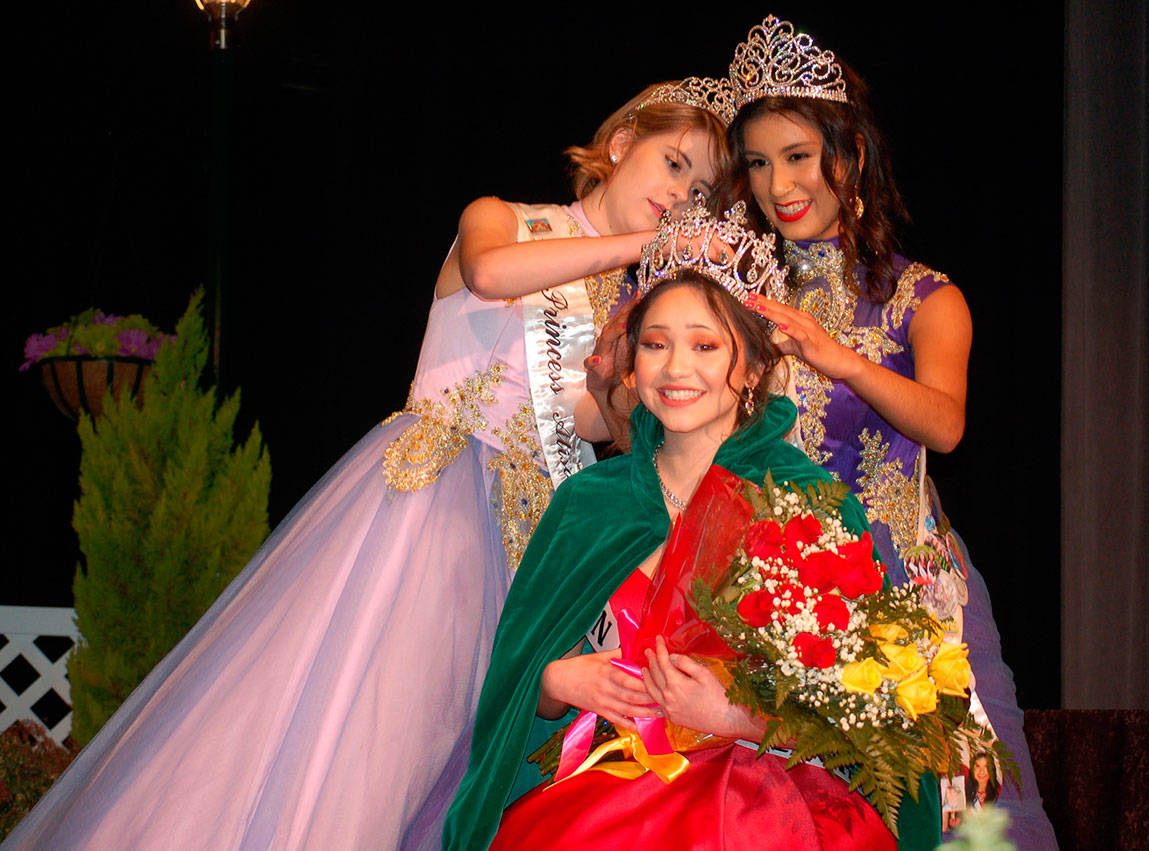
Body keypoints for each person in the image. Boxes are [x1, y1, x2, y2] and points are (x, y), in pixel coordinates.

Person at [3, 79, 731, 851]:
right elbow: (488, 274)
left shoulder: (629, 309)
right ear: (622, 145)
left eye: (702, 188)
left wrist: (639, 388)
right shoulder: (505, 218)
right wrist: (645, 252)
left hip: (528, 538)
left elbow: (586, 424)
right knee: (367, 734)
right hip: (430, 502)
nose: (682, 192)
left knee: (459, 755)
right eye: (674, 162)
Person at [444, 207, 942, 850]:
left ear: (755, 369)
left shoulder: (808, 500)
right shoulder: (587, 503)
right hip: (606, 788)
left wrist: (739, 715)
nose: (677, 368)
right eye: (656, 344)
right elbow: (516, 685)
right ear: (631, 367)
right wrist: (554, 680)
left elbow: (875, 710)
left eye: (705, 345)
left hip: (764, 797)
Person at [721, 15, 1057, 849]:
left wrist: (843, 360)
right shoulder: (731, 297)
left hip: (904, 579)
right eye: (760, 163)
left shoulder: (925, 298)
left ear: (853, 156)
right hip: (766, 586)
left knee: (963, 815)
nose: (779, 184)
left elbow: (945, 423)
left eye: (799, 156)